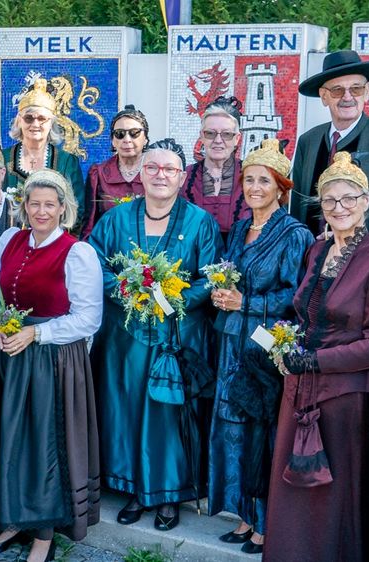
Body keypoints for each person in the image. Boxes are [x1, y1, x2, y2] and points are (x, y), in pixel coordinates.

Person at [264, 152, 369, 562]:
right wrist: (287, 346)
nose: (339, 208)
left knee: (332, 491)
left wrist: (313, 362)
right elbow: (305, 314)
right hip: (301, 388)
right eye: (330, 201)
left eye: (349, 199)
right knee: (294, 486)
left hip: (347, 395)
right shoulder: (317, 249)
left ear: (367, 201)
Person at [88, 139, 221, 532]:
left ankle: (167, 494)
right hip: (125, 340)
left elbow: (211, 276)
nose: (161, 175)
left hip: (177, 340)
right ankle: (133, 488)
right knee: (126, 410)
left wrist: (172, 298)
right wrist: (129, 292)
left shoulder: (201, 223)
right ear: (141, 174)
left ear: (182, 177)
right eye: (153, 168)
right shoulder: (115, 219)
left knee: (168, 415)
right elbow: (95, 266)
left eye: (169, 169)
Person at [0, 170, 102, 562]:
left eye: (50, 204)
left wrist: (36, 335)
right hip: (11, 354)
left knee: (44, 443)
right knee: (11, 437)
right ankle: (14, 520)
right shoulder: (10, 240)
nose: (41, 211)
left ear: (63, 209)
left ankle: (44, 536)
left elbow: (88, 319)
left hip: (53, 359)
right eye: (35, 204)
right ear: (24, 207)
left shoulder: (77, 252)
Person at [205, 139, 313, 555]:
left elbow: (296, 295)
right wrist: (223, 293)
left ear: (281, 187)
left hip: (262, 347)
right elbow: (230, 275)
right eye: (248, 179)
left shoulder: (293, 234)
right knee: (232, 426)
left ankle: (267, 525)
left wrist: (246, 302)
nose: (253, 187)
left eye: (263, 181)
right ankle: (245, 514)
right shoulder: (241, 227)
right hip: (230, 339)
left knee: (260, 431)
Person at [291, 50, 369, 245]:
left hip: (368, 257)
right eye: (337, 90)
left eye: (355, 89)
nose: (347, 97)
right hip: (313, 256)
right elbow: (298, 205)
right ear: (324, 96)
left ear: (366, 92)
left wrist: (355, 239)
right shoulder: (309, 141)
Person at [4, 79, 85, 232]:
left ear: (51, 123)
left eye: (42, 119)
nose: (35, 124)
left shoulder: (67, 162)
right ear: (19, 121)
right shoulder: (2, 158)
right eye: (29, 118)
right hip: (9, 243)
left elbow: (77, 209)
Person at [183, 97, 249, 235]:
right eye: (210, 133)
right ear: (201, 136)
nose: (218, 140)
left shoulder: (252, 177)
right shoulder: (184, 177)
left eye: (226, 134)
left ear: (237, 138)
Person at [82, 105, 148, 237]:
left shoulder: (156, 172)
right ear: (112, 141)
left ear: (145, 138)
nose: (127, 139)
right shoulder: (98, 174)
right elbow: (89, 224)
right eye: (119, 134)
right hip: (108, 248)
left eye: (134, 133)